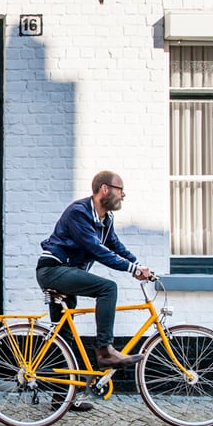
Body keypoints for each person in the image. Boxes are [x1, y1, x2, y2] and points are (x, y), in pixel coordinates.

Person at [36, 171, 153, 411]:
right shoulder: (79, 212)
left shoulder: (105, 219)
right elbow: (97, 249)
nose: (123, 195)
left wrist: (139, 265)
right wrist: (132, 269)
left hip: (67, 274)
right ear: (104, 189)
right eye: (120, 189)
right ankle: (105, 350)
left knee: (65, 338)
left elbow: (115, 246)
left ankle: (62, 399)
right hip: (54, 270)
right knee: (107, 288)